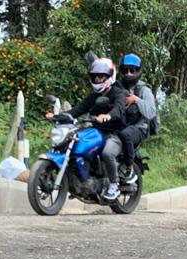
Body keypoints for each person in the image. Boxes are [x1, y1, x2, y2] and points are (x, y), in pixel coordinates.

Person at [50, 57, 127, 202]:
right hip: (97, 130)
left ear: (110, 77)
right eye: (95, 76)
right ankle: (80, 180)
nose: (97, 79)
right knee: (75, 144)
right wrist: (57, 117)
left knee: (107, 153)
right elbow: (78, 109)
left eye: (101, 76)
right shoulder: (94, 95)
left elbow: (119, 110)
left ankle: (114, 185)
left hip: (114, 133)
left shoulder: (118, 93)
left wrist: (108, 116)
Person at [115, 53, 158, 186]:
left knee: (126, 134)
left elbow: (151, 112)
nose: (128, 74)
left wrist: (136, 100)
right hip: (121, 124)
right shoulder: (117, 86)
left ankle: (130, 170)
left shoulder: (143, 89)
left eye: (132, 71)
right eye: (125, 70)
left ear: (137, 72)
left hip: (139, 128)